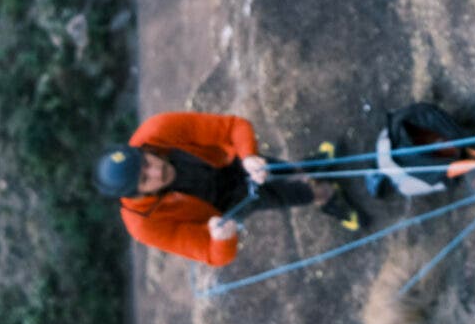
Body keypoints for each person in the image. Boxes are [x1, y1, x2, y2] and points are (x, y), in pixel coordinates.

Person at [95, 111, 358, 267]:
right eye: (144, 180)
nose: (156, 170)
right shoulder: (144, 226)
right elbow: (212, 253)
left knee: (277, 170)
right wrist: (222, 239)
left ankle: (311, 170)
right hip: (225, 205)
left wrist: (248, 156)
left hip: (229, 163)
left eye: (146, 161)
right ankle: (324, 196)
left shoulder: (156, 131)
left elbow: (233, 127)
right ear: (136, 195)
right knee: (285, 194)